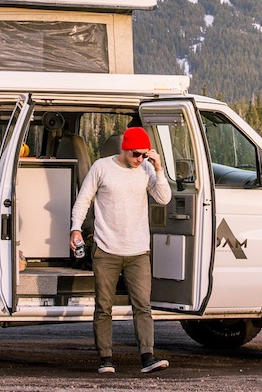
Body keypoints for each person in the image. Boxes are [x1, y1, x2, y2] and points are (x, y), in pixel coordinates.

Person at [69, 125, 172, 374]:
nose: (140, 159)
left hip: (138, 250)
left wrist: (158, 168)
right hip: (106, 250)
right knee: (104, 306)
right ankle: (105, 358)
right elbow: (84, 199)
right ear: (125, 148)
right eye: (136, 154)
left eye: (144, 155)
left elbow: (164, 198)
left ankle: (147, 356)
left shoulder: (147, 168)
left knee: (143, 306)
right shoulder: (102, 167)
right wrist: (75, 229)